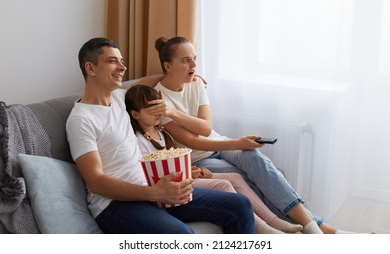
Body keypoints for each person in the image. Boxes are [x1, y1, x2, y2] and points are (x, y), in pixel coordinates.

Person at [148, 35, 356, 234]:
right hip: (199, 159)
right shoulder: (158, 99)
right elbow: (194, 140)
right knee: (249, 182)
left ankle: (313, 226)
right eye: (185, 61)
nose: (193, 66)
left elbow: (206, 126)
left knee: (257, 161)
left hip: (220, 143)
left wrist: (174, 112)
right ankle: (321, 231)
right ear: (168, 65)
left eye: (194, 59)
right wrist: (170, 111)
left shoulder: (195, 84)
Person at [65, 37, 256, 234]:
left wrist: (187, 75)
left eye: (122, 61)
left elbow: (147, 82)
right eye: (113, 61)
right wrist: (153, 192)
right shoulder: (81, 119)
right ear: (91, 68)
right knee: (183, 236)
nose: (122, 67)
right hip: (115, 205)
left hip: (151, 190)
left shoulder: (120, 97)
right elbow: (96, 182)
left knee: (240, 205)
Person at [125, 84, 304, 234]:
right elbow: (154, 174)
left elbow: (173, 163)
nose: (158, 114)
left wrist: (193, 171)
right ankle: (265, 229)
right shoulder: (139, 141)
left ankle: (273, 221)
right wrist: (190, 176)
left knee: (236, 178)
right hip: (172, 186)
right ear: (135, 114)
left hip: (185, 176)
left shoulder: (161, 132)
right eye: (151, 110)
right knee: (224, 185)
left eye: (159, 108)